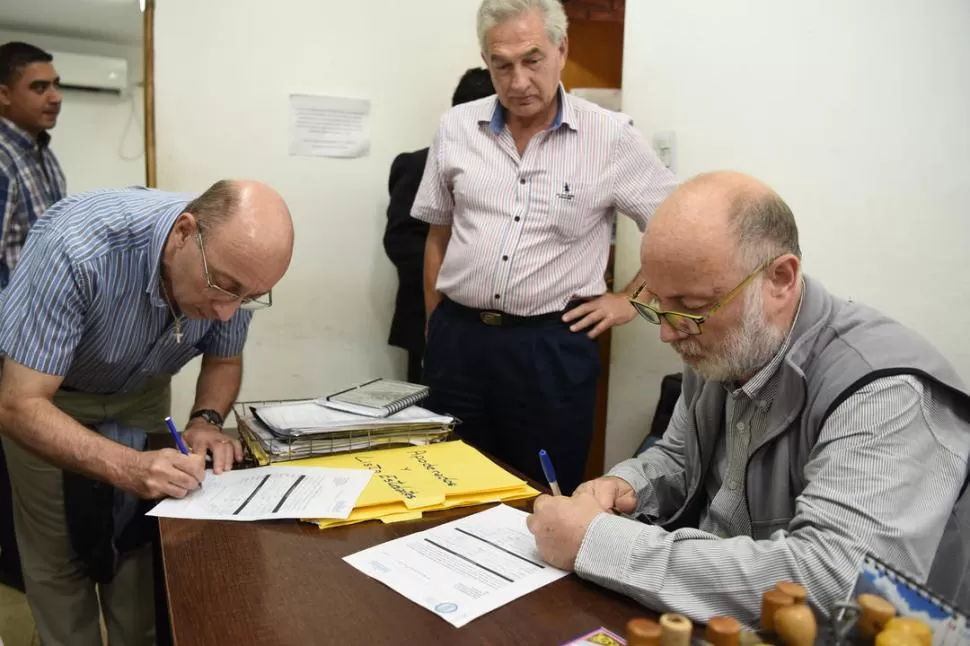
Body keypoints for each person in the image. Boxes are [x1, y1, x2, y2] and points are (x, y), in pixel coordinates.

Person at [526, 171, 970, 621]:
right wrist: (626, 486)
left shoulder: (887, 392)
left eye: (691, 308)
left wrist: (596, 543)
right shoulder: (726, 343)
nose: (666, 332)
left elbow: (832, 583)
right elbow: (679, 457)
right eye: (657, 305)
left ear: (780, 278)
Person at [0, 180, 294, 646]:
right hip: (50, 395)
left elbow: (224, 359)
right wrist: (128, 465)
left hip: (141, 390)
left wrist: (205, 421)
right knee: (60, 557)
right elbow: (17, 403)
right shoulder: (77, 247)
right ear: (182, 233)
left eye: (250, 297)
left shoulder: (233, 270)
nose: (227, 312)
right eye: (224, 288)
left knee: (137, 542)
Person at [413, 0, 677, 493]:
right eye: (502, 65)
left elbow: (676, 229)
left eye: (532, 60)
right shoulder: (455, 129)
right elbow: (438, 234)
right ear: (485, 60)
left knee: (543, 495)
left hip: (550, 348)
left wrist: (631, 301)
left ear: (562, 48)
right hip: (458, 342)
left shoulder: (610, 136)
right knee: (445, 485)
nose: (518, 82)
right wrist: (436, 323)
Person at [0, 41, 66, 593]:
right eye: (38, 87)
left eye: (55, 85)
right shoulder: (1, 157)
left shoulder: (42, 154)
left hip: (35, 343)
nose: (55, 97)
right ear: (3, 95)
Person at [383, 67, 495, 383]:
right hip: (428, 318)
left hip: (496, 329)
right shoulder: (418, 163)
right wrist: (461, 270)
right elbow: (401, 240)